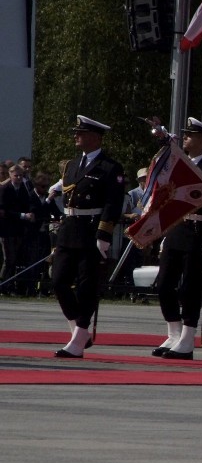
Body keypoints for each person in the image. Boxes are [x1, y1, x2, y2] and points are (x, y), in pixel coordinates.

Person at [154, 118, 202, 360]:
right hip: (176, 229)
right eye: (185, 134)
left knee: (190, 288)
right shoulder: (176, 165)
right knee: (164, 283)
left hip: (197, 231)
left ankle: (187, 337)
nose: (185, 138)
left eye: (190, 135)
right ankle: (173, 332)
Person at [54, 116, 125, 357]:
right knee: (58, 281)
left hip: (91, 230)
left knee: (87, 286)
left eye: (81, 133)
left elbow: (113, 203)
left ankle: (77, 339)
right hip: (70, 228)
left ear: (95, 137)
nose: (76, 136)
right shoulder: (72, 165)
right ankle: (79, 330)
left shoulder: (109, 167)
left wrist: (104, 233)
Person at [0, 164, 39, 290]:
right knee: (8, 258)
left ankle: (10, 285)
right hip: (6, 229)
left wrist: (31, 212)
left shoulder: (25, 188)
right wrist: (22, 215)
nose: (18, 178)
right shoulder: (4, 189)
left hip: (19, 229)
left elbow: (31, 202)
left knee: (16, 258)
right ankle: (3, 284)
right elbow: (3, 211)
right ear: (10, 175)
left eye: (20, 176)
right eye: (16, 175)